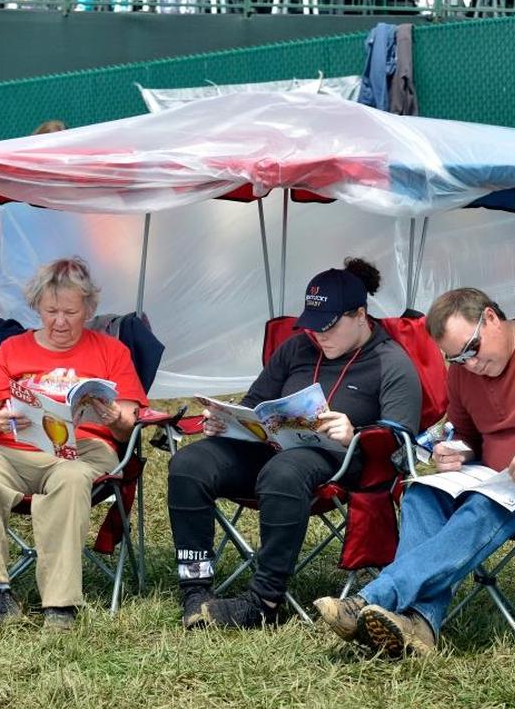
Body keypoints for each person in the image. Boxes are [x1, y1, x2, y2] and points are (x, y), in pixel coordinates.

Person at [313, 287, 515, 657]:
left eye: (472, 349)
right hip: (498, 480)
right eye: (457, 359)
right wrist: (457, 452)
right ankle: (419, 625)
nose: (470, 364)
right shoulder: (464, 373)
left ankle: (372, 598)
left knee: (487, 503)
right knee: (421, 491)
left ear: (492, 318)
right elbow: (468, 436)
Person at [167, 258, 422, 631]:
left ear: (360, 315)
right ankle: (195, 588)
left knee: (283, 472)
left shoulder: (391, 362)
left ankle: (264, 602)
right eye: (313, 326)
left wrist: (357, 433)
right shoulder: (296, 349)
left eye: (330, 326)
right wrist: (227, 420)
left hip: (340, 464)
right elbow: (254, 404)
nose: (319, 335)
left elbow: (401, 441)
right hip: (270, 449)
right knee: (190, 464)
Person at [0, 258, 148, 630]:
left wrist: (113, 418)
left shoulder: (111, 352)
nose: (60, 321)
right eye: (51, 310)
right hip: (15, 448)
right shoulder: (12, 350)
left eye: (71, 312)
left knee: (72, 478)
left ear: (88, 309)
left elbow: (128, 430)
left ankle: (59, 606)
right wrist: (4, 417)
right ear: (37, 307)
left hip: (84, 452)